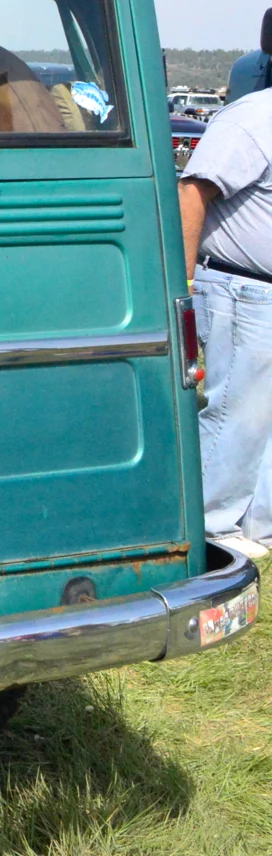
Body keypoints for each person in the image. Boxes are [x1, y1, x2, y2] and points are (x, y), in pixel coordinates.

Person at [178, 87, 272, 560]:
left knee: (265, 419)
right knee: (236, 410)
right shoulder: (256, 117)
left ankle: (258, 525)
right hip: (242, 288)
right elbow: (192, 192)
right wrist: (184, 281)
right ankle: (207, 525)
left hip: (263, 290)